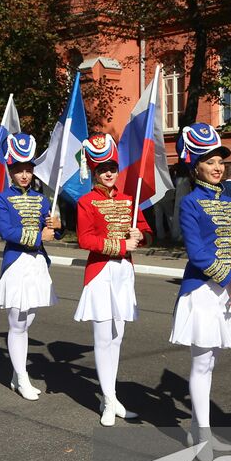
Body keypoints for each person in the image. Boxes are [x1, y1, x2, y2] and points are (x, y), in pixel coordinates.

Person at [171, 124, 231, 460]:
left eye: (220, 161)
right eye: (209, 161)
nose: (217, 167)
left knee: (212, 362)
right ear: (196, 167)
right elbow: (197, 253)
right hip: (203, 290)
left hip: (228, 291)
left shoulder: (230, 202)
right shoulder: (190, 203)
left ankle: (199, 428)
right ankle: (201, 434)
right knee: (202, 363)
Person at [74, 134, 149, 425]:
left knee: (117, 338)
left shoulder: (130, 200)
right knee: (103, 338)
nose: (108, 173)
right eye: (103, 168)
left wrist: (140, 235)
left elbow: (144, 230)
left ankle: (112, 396)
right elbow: (85, 239)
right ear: (94, 171)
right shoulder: (86, 202)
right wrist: (120, 245)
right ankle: (107, 400)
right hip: (100, 272)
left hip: (123, 273)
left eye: (113, 168)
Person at [0, 134, 60, 400]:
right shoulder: (2, 199)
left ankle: (16, 372)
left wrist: (57, 227)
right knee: (18, 322)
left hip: (37, 263)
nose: (24, 175)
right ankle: (21, 377)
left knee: (28, 319)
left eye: (28, 170)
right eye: (19, 170)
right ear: (11, 171)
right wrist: (38, 237)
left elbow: (52, 230)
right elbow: (7, 231)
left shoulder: (42, 199)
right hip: (17, 262)